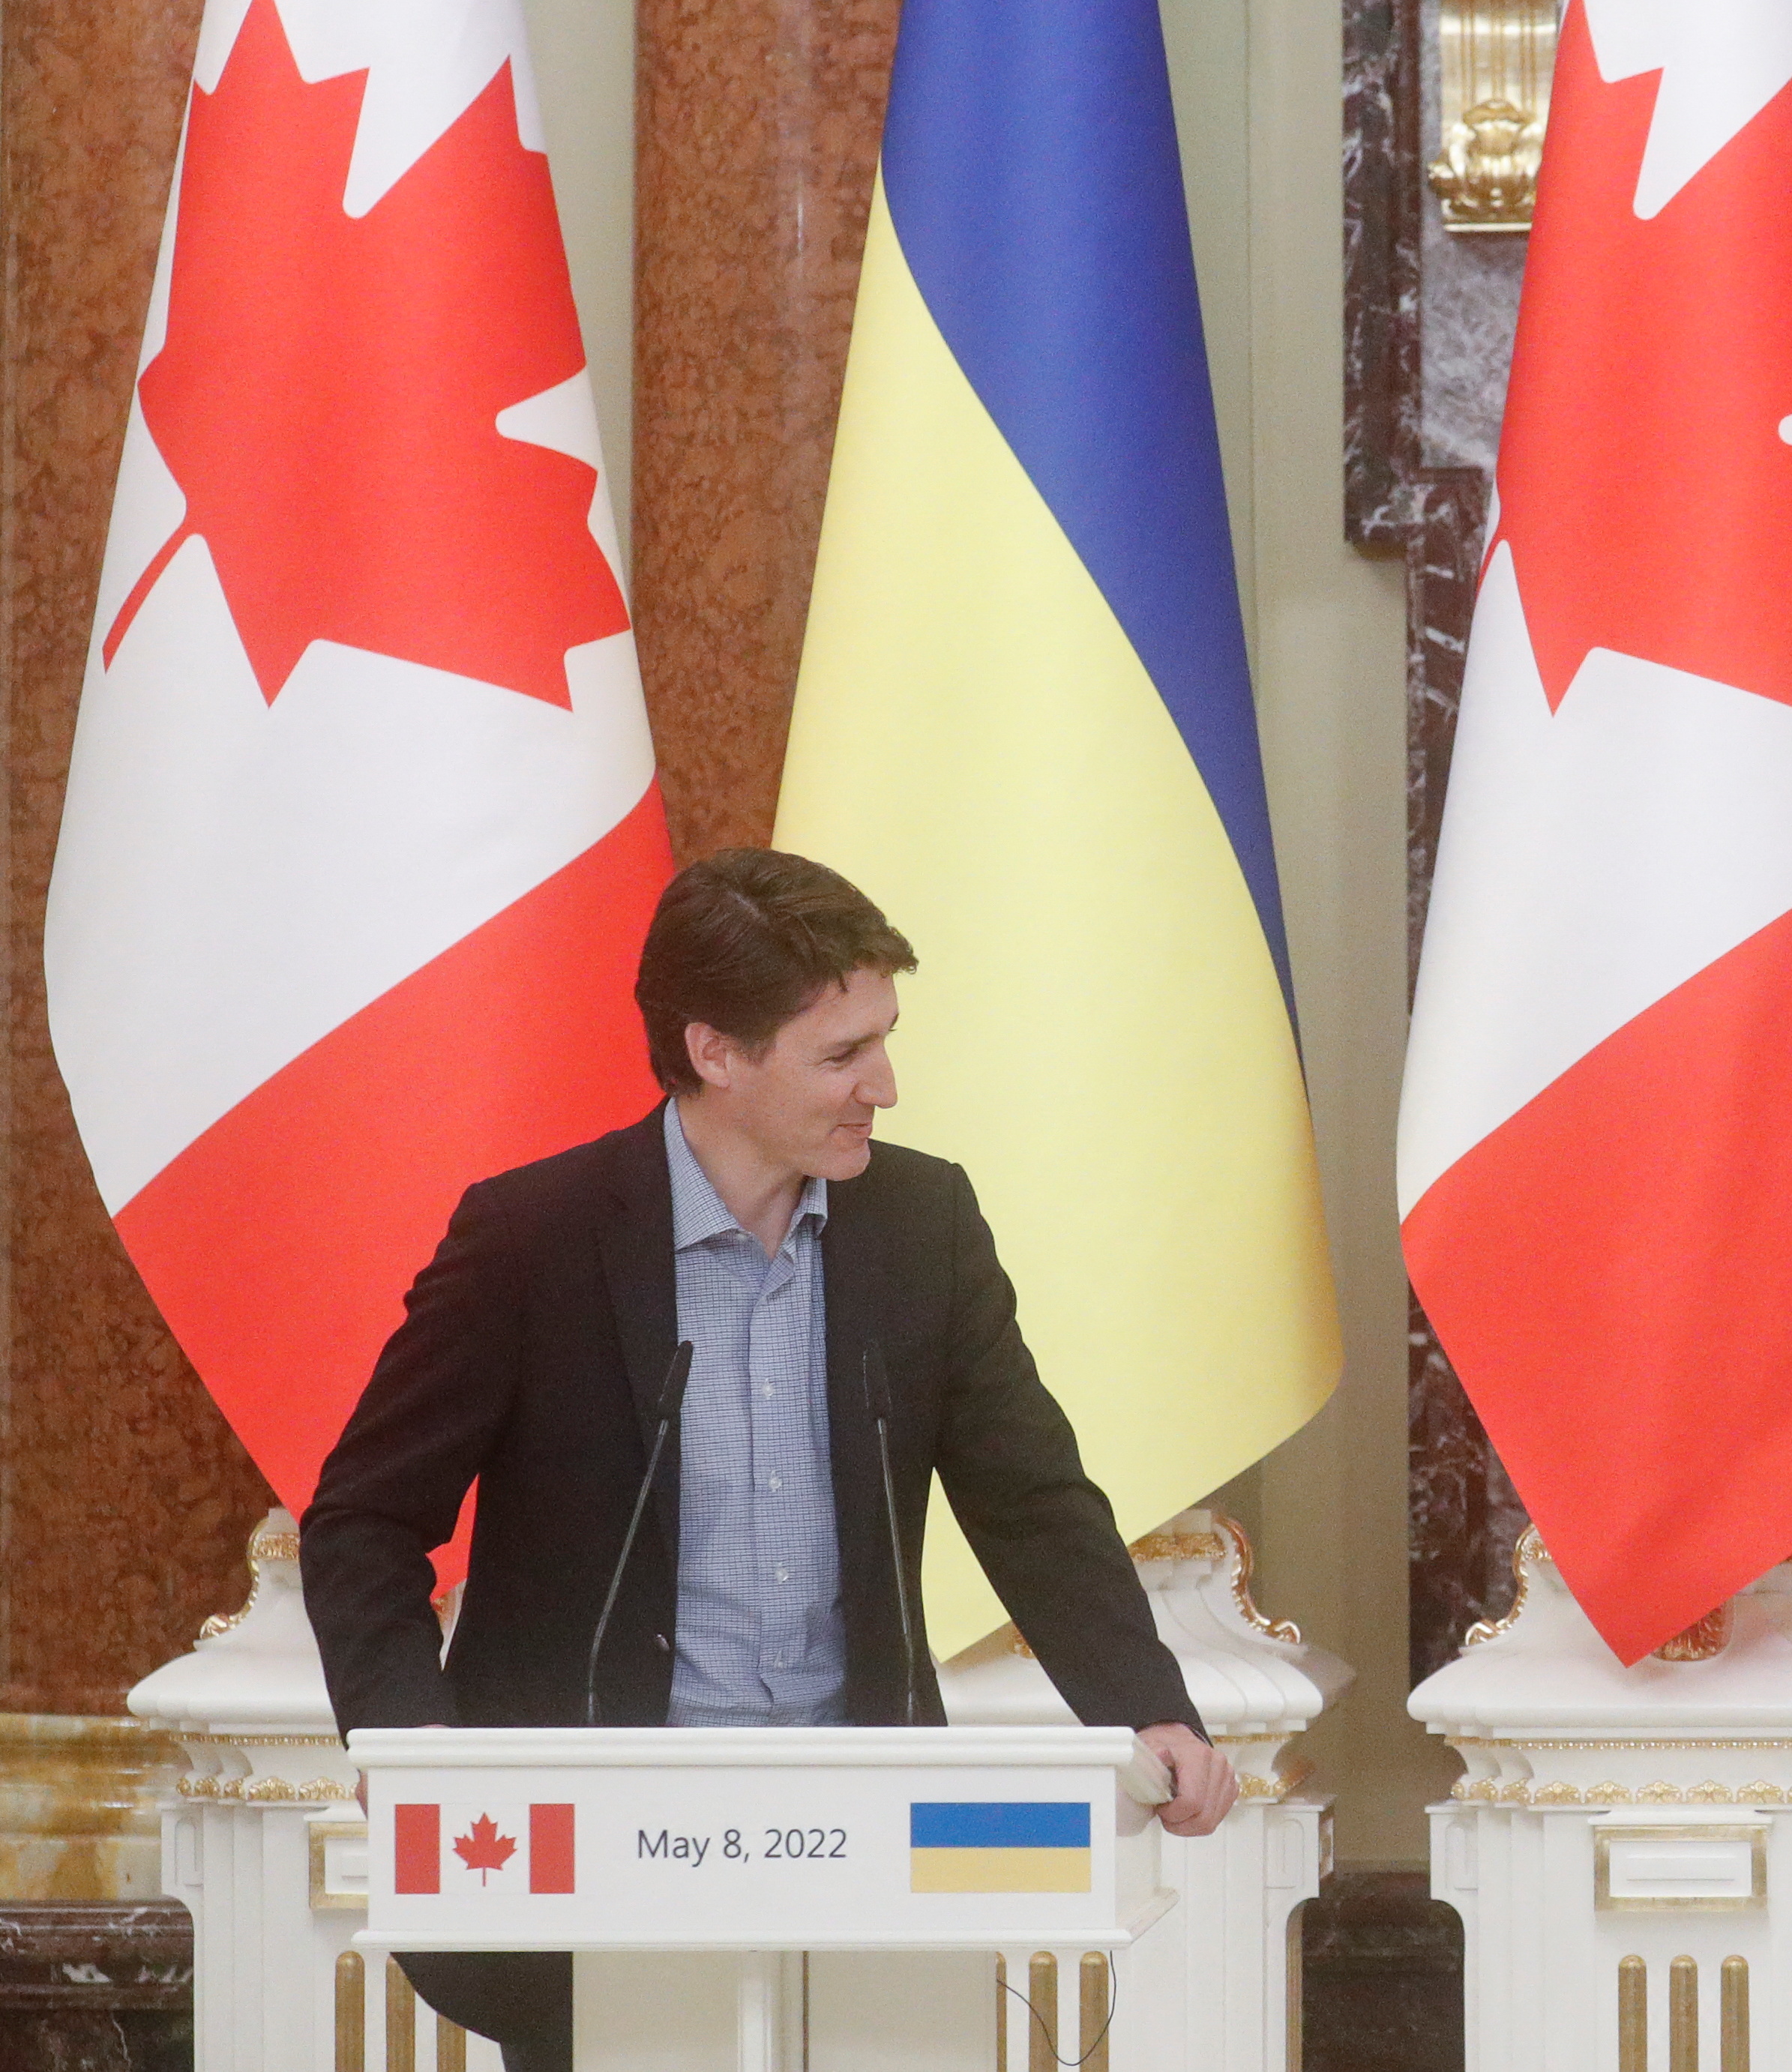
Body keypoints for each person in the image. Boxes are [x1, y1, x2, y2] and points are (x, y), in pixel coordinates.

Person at [303, 850, 1239, 2071]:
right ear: (716, 1052)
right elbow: (363, 1520)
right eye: (841, 1054)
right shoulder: (532, 1239)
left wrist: (1146, 1705)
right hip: (592, 1855)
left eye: (883, 1040)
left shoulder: (922, 1224)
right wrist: (413, 1742)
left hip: (871, 1852)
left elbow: (1035, 1501)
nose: (884, 1086)